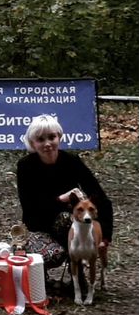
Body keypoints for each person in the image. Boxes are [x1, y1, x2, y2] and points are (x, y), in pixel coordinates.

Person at [16, 114, 113, 273]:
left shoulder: (72, 161)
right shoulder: (25, 166)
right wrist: (61, 199)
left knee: (77, 221)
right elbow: (30, 208)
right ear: (32, 143)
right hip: (39, 225)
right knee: (52, 254)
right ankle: (41, 274)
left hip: (70, 225)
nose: (47, 143)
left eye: (52, 137)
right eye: (40, 139)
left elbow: (101, 198)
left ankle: (77, 263)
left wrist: (105, 237)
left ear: (59, 137)